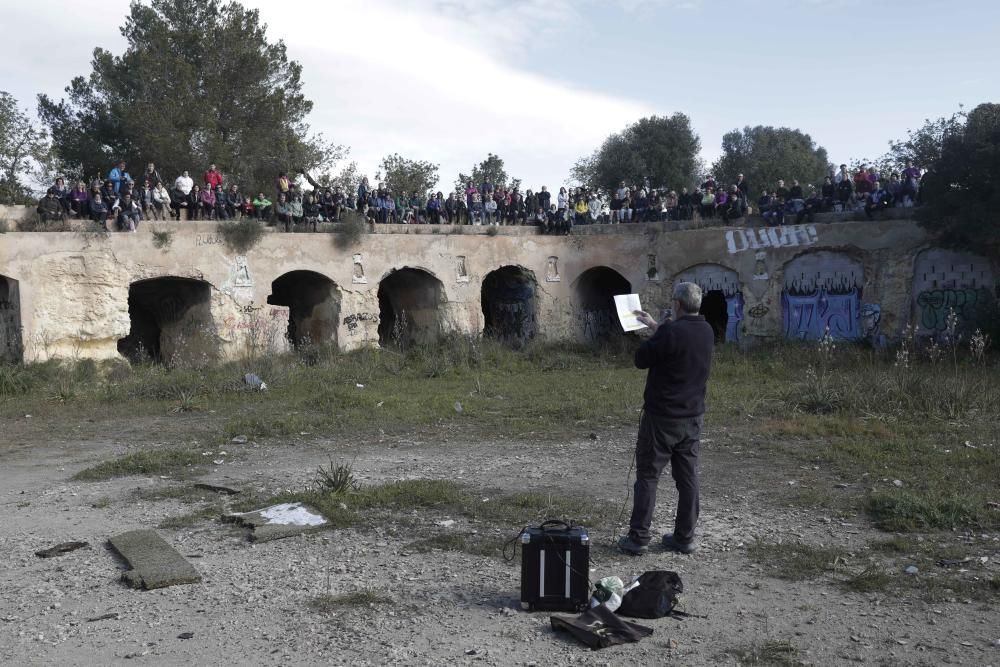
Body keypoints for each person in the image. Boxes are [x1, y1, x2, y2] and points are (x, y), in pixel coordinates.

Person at [618, 282, 715, 556]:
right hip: (692, 417)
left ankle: (638, 538)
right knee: (687, 478)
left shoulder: (671, 332)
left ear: (677, 304)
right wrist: (657, 326)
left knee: (648, 476)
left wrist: (654, 333)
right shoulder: (706, 331)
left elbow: (641, 359)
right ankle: (684, 538)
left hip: (662, 419)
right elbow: (678, 343)